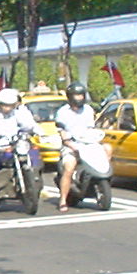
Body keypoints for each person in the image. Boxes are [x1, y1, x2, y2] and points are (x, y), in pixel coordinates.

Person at [53, 83, 101, 211]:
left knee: (107, 149)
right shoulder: (63, 112)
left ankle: (100, 182)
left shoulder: (88, 110)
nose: (79, 98)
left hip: (88, 144)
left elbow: (91, 128)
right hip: (71, 145)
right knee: (69, 167)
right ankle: (63, 200)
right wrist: (71, 144)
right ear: (70, 96)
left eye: (81, 95)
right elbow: (62, 133)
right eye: (76, 95)